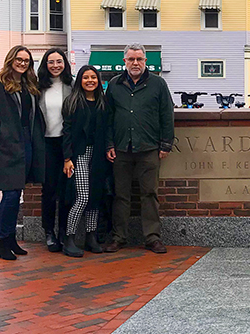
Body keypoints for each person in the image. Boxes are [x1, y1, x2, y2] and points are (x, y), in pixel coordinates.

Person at [104, 43, 174, 254]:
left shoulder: (158, 84)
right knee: (121, 195)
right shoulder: (115, 84)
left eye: (139, 59)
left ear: (146, 61)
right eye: (131, 59)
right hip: (121, 148)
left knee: (149, 194)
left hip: (149, 147)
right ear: (124, 61)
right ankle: (119, 237)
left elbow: (166, 115)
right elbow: (108, 117)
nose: (135, 63)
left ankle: (152, 237)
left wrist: (166, 144)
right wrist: (109, 143)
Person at [0, 46, 46, 260]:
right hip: (7, 145)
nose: (23, 63)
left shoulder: (30, 85)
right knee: (10, 195)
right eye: (19, 59)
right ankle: (1, 242)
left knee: (17, 193)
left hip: (27, 141)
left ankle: (11, 239)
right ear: (11, 59)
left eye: (26, 60)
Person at [61, 65, 110, 257]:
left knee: (95, 196)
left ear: (98, 80)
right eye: (85, 77)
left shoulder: (102, 102)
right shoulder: (72, 102)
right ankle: (69, 238)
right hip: (78, 155)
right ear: (79, 80)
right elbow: (66, 131)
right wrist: (67, 158)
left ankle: (91, 236)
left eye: (93, 77)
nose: (90, 81)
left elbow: (107, 129)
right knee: (82, 196)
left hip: (97, 154)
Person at [37, 49, 72, 252]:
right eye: (51, 62)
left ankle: (64, 231)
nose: (55, 65)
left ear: (65, 63)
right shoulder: (38, 87)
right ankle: (49, 232)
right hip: (46, 144)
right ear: (45, 64)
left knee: (67, 191)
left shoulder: (71, 85)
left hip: (66, 144)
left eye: (59, 61)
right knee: (49, 191)